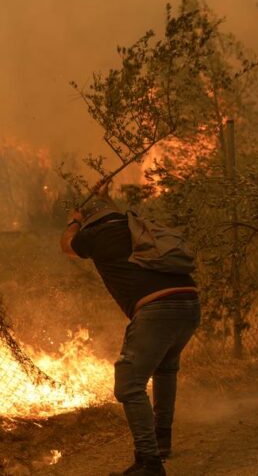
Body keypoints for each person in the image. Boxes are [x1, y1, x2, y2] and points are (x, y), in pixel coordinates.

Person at [60, 190, 200, 476]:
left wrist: (73, 221)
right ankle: (162, 442)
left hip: (157, 309)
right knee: (165, 369)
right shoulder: (134, 225)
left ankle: (149, 462)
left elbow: (68, 247)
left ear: (90, 219)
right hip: (189, 302)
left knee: (129, 384)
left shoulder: (94, 234)